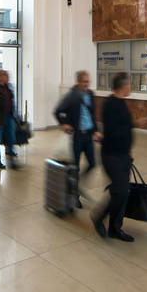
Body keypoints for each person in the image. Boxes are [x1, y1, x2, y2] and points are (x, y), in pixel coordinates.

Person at [91, 72, 137, 242]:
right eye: (129, 84)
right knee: (121, 189)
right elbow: (113, 132)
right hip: (112, 154)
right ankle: (99, 216)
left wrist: (128, 149)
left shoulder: (121, 103)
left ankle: (115, 228)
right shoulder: (110, 104)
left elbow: (124, 127)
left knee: (122, 192)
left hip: (122, 154)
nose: (130, 87)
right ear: (123, 86)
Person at [54, 70, 101, 207]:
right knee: (75, 167)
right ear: (78, 82)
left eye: (88, 81)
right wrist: (64, 124)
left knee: (93, 163)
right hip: (77, 136)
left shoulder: (91, 94)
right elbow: (57, 112)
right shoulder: (71, 96)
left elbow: (92, 114)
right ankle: (75, 195)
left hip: (88, 135)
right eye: (85, 82)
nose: (87, 84)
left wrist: (96, 131)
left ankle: (77, 185)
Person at [0, 69, 18, 170]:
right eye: (5, 75)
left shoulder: (8, 87)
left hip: (9, 117)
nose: (7, 76)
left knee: (10, 138)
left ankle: (11, 159)